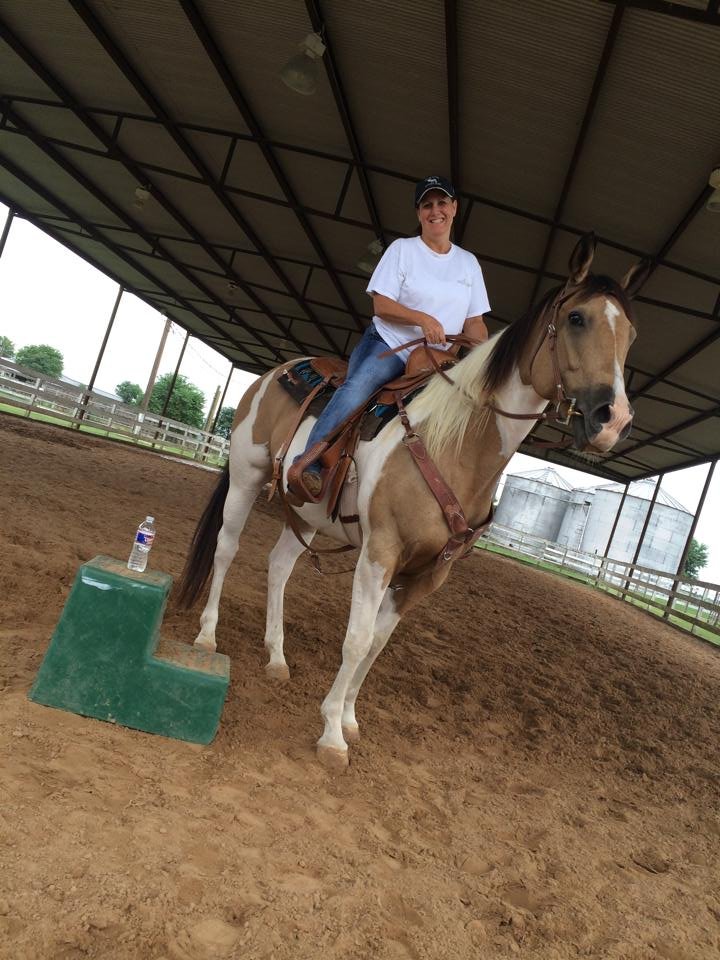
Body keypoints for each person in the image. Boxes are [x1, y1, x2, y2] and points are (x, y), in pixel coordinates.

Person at [290, 174, 491, 499]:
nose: (435, 211)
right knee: (358, 389)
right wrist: (421, 319)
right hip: (389, 345)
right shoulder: (403, 250)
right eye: (427, 205)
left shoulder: (468, 264)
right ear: (419, 213)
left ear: (454, 208)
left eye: (442, 203)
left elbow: (475, 322)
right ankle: (308, 464)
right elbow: (381, 304)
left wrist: (486, 353)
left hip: (437, 360)